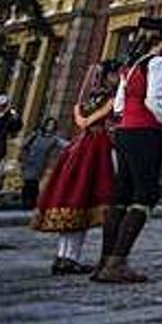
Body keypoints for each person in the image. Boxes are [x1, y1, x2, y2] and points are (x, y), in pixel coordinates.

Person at [93, 16, 162, 284]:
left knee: (121, 194)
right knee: (144, 195)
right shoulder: (160, 63)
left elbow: (120, 106)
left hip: (124, 132)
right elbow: (155, 101)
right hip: (145, 132)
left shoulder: (133, 66)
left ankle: (105, 259)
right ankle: (118, 261)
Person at [31, 59, 120, 275]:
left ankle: (63, 256)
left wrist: (84, 116)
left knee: (73, 198)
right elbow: (91, 121)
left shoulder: (87, 99)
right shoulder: (109, 98)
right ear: (109, 76)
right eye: (116, 74)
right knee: (83, 198)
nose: (118, 78)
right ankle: (70, 258)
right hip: (96, 149)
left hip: (79, 146)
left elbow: (79, 119)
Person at [20, 118, 66, 210]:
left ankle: (31, 203)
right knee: (27, 183)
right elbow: (24, 144)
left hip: (41, 163)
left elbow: (65, 145)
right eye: (49, 124)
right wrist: (23, 157)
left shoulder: (54, 138)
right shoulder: (35, 135)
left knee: (34, 184)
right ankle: (24, 202)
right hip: (29, 161)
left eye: (52, 125)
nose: (50, 127)